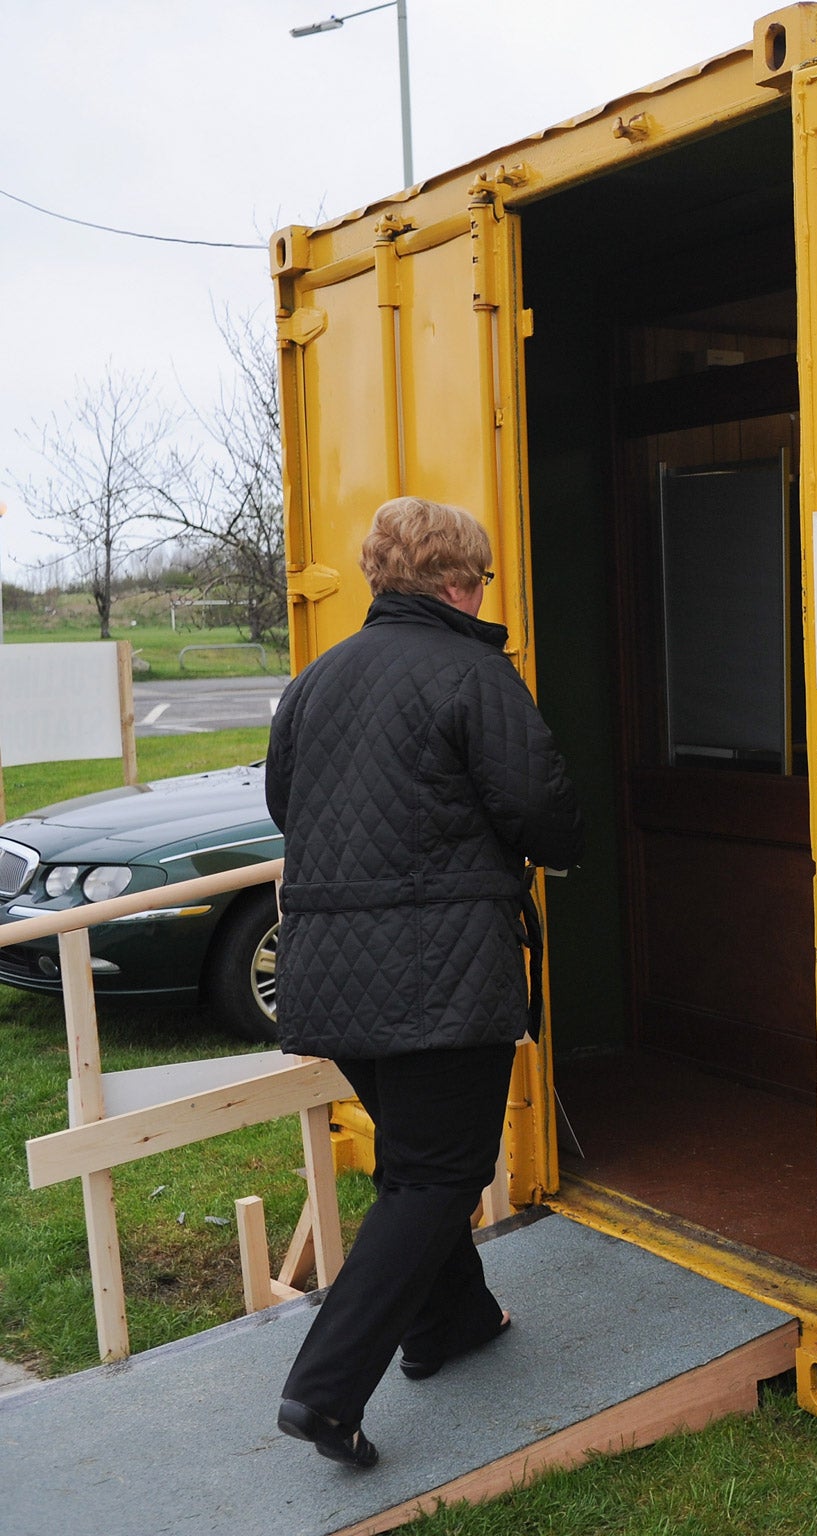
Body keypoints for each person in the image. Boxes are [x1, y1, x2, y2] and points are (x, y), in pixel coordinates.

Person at [266, 496, 582, 1467]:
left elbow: (287, 803)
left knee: (416, 1164)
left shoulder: (318, 680)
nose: (484, 592)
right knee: (442, 1173)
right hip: (440, 974)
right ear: (459, 581)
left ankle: (453, 1323)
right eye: (481, 577)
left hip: (328, 974)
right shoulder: (473, 672)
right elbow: (540, 812)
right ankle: (324, 1392)